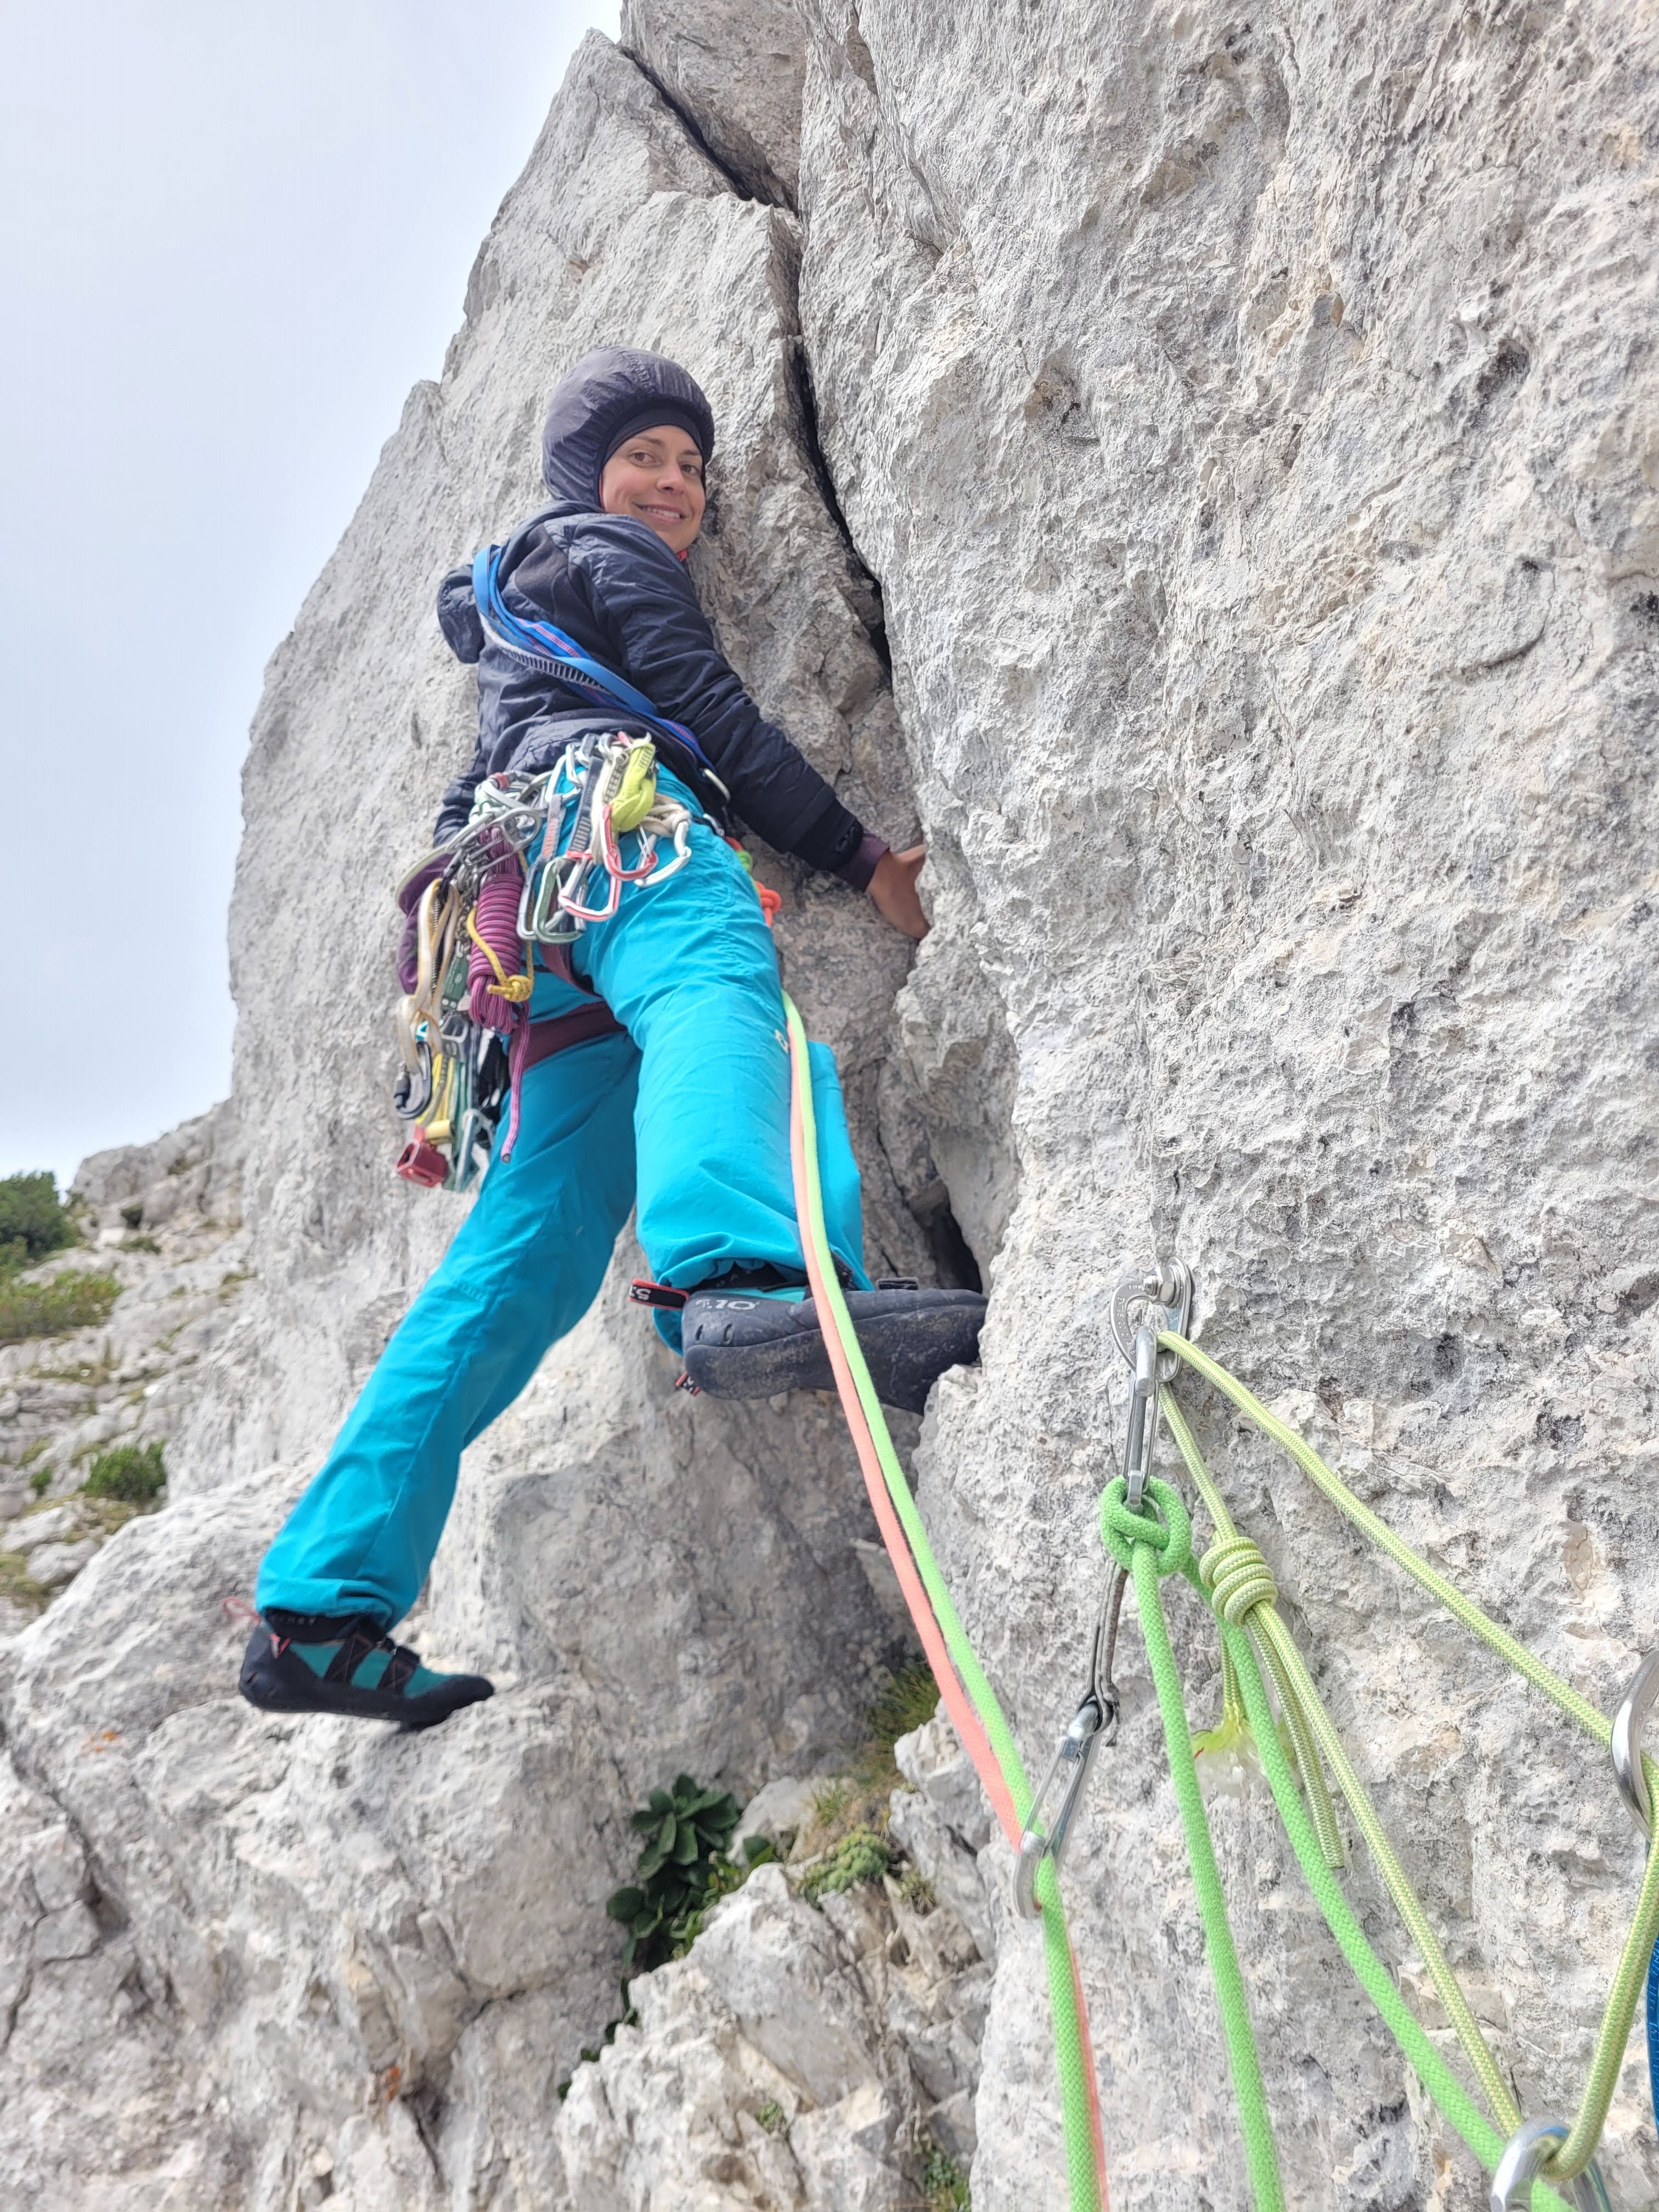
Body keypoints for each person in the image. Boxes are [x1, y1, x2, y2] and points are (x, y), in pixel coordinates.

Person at [239, 348, 986, 1731]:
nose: (676, 485)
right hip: (618, 828)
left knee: (530, 1243)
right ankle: (746, 1273)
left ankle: (320, 1605)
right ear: (586, 474)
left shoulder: (510, 622)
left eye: (693, 467)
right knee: (718, 989)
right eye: (646, 454)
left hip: (527, 914)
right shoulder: (602, 549)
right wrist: (862, 858)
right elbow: (709, 710)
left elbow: (483, 785)